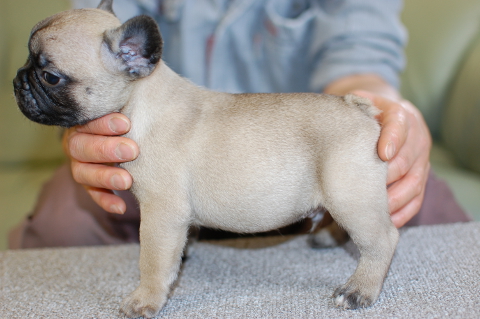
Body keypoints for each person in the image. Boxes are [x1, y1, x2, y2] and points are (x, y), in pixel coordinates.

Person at [9, 0, 470, 249]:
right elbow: (83, 63)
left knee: (419, 201)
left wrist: (385, 110)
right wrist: (88, 138)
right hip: (152, 164)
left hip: (295, 164)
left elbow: (362, 56)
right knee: (62, 219)